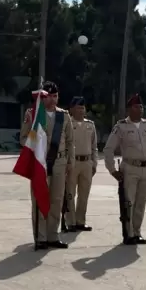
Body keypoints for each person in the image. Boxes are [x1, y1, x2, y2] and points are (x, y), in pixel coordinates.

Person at [21, 81, 74, 250]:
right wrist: (37, 146)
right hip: (40, 162)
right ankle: (41, 237)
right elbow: (23, 138)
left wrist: (69, 163)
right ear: (42, 97)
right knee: (39, 199)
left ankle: (53, 235)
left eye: (55, 96)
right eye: (48, 96)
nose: (52, 99)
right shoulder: (33, 114)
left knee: (57, 200)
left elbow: (70, 141)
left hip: (59, 162)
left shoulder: (64, 116)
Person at [104, 93, 146, 245]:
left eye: (141, 106)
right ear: (129, 109)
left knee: (141, 203)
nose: (140, 109)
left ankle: (137, 232)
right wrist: (112, 169)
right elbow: (108, 149)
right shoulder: (121, 126)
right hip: (130, 168)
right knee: (129, 203)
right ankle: (128, 233)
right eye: (136, 107)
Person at [65, 96, 97, 232]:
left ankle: (80, 221)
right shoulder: (67, 124)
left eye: (83, 108)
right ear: (71, 109)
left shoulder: (90, 124)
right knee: (70, 194)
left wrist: (94, 163)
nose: (81, 110)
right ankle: (70, 222)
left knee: (84, 194)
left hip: (87, 163)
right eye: (78, 108)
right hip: (73, 163)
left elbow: (94, 146)